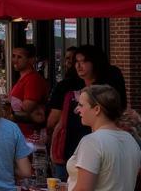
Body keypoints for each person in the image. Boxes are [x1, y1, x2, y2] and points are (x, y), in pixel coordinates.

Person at [51, 46, 128, 179]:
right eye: (76, 61)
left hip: (97, 145)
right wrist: (55, 146)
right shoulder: (69, 86)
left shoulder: (106, 90)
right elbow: (61, 121)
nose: (79, 66)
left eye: (84, 61)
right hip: (69, 147)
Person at [9, 44, 49, 121]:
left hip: (28, 130)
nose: (15, 60)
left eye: (19, 57)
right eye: (13, 56)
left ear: (31, 60)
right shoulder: (24, 78)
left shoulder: (33, 79)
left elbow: (27, 108)